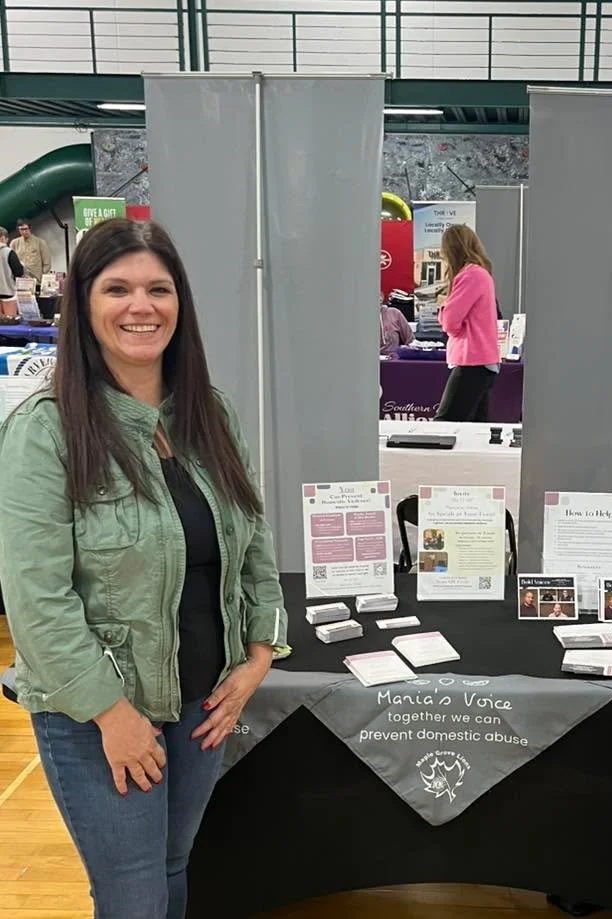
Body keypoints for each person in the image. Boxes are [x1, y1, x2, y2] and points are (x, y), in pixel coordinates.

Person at [0, 218, 288, 919]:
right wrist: (112, 715)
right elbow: (36, 596)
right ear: (84, 306)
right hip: (95, 713)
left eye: (158, 288)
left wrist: (257, 654)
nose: (141, 305)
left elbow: (252, 544)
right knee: (131, 896)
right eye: (117, 288)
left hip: (201, 703)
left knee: (171, 872)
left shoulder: (210, 416)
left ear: (179, 304)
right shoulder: (47, 428)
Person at [434, 225, 500, 422]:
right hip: (483, 361)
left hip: (470, 360)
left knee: (444, 424)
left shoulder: (470, 275)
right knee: (476, 428)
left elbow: (449, 323)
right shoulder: (481, 274)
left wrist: (443, 307)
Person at [10, 217, 51, 281]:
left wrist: (42, 278)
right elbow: (11, 263)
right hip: (20, 280)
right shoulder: (14, 243)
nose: (24, 231)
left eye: (26, 229)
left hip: (36, 279)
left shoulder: (40, 243)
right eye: (21, 229)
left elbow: (47, 263)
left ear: (30, 228)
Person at [0, 226, 25, 299]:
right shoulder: (8, 252)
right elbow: (18, 272)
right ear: (3, 238)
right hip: (7, 291)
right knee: (10, 311)